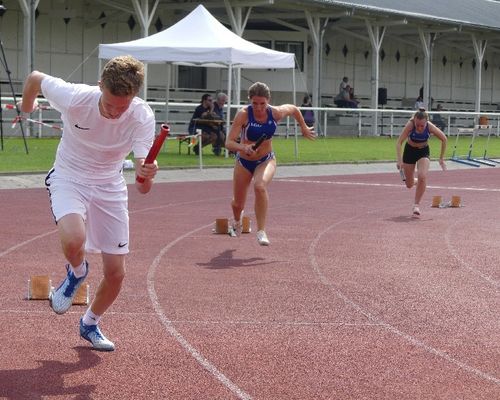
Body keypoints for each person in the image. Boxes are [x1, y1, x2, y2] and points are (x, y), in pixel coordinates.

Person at [20, 55, 158, 351]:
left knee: (116, 273)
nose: (114, 112)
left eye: (123, 106)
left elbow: (143, 188)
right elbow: (34, 77)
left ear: (134, 97)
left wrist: (147, 174)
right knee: (74, 240)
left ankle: (90, 323)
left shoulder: (142, 116)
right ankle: (78, 272)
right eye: (109, 104)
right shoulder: (75, 97)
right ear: (100, 87)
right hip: (69, 176)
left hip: (110, 185)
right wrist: (26, 108)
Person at [225, 82, 316, 245]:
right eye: (255, 103)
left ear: (268, 101)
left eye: (262, 103)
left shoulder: (275, 113)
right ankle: (237, 221)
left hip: (266, 159)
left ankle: (261, 231)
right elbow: (229, 142)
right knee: (237, 204)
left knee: (259, 186)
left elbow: (294, 109)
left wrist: (303, 127)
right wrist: (243, 147)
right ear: (250, 101)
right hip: (244, 162)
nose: (259, 107)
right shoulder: (243, 114)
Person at [396, 109, 447, 218]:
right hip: (409, 151)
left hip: (423, 151)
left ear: (426, 122)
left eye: (422, 126)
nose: (419, 128)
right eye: (417, 125)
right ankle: (418, 182)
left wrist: (441, 158)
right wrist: (399, 160)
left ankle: (416, 205)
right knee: (409, 184)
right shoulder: (410, 125)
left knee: (422, 175)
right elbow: (399, 142)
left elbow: (444, 139)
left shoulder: (430, 127)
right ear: (414, 121)